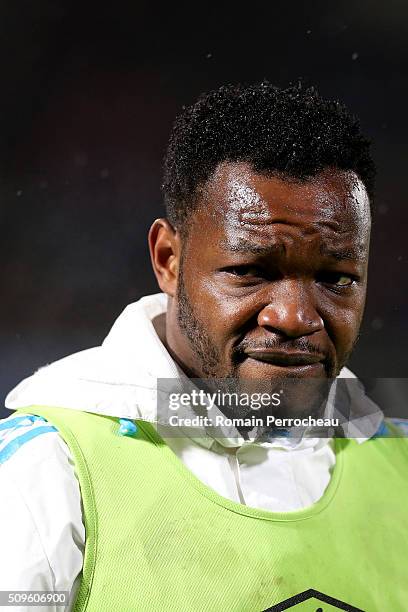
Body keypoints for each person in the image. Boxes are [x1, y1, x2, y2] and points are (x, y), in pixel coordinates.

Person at [1, 82, 407, 612]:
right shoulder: (44, 476)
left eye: (336, 279)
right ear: (169, 259)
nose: (294, 317)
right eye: (249, 271)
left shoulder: (396, 466)